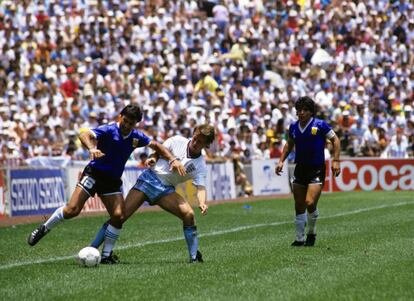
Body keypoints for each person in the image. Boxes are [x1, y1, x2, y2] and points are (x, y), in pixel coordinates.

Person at [27, 104, 185, 264]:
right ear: (120, 117)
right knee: (72, 210)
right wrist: (91, 148)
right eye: (125, 121)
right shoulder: (109, 130)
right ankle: (44, 228)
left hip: (112, 181)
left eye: (131, 123)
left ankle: (106, 255)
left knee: (118, 216)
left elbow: (157, 146)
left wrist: (173, 159)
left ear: (136, 124)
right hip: (94, 174)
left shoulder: (136, 137)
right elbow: (84, 135)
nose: (127, 125)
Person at [90, 124, 216, 263]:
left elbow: (201, 187)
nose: (195, 142)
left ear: (207, 145)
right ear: (193, 133)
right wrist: (153, 159)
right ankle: (92, 249)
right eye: (195, 138)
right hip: (149, 180)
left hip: (166, 190)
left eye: (200, 142)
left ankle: (194, 257)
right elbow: (157, 150)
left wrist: (202, 202)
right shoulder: (177, 140)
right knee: (119, 217)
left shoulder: (200, 165)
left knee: (189, 215)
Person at [275, 96, 341, 247]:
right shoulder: (293, 126)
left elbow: (335, 140)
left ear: (311, 112)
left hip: (316, 169)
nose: (301, 113)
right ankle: (299, 239)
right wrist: (281, 161)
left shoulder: (320, 125)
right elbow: (289, 144)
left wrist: (336, 160)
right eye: (299, 110)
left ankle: (311, 232)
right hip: (300, 168)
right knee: (299, 205)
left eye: (305, 110)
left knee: (309, 202)